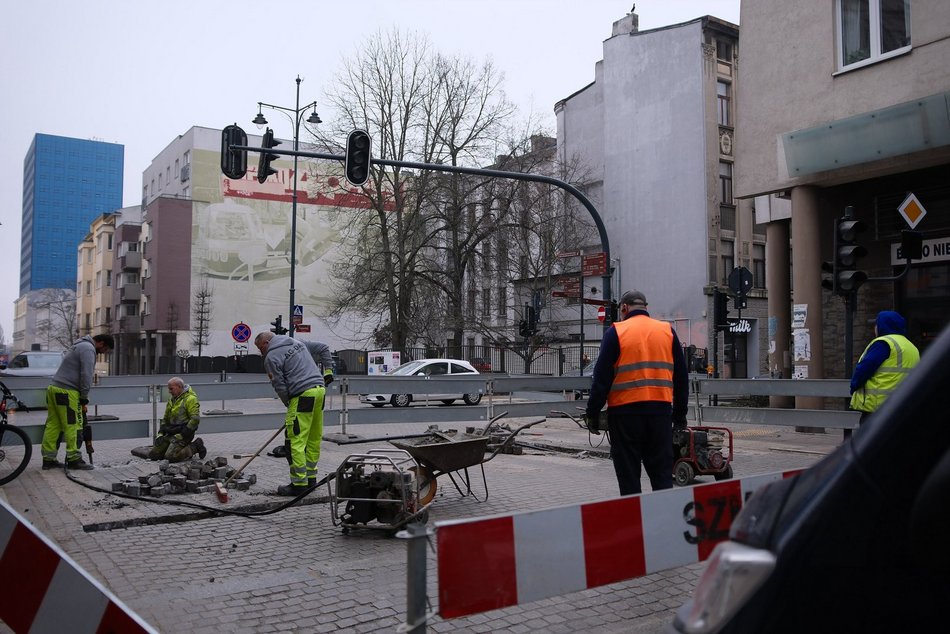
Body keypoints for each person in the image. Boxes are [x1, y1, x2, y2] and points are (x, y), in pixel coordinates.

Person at [584, 290, 689, 495]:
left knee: (629, 478)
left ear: (624, 308)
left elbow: (601, 379)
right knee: (662, 478)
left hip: (625, 416)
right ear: (646, 308)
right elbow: (681, 378)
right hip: (660, 415)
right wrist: (680, 417)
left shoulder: (616, 332)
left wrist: (592, 414)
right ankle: (663, 521)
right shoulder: (667, 331)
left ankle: (634, 522)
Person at [254, 331, 326, 495]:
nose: (261, 352)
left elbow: (279, 385)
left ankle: (299, 484)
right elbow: (323, 349)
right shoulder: (296, 342)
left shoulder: (271, 357)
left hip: (301, 395)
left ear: (266, 343)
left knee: (295, 441)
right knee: (313, 438)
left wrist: (290, 405)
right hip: (319, 391)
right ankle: (311, 479)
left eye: (260, 348)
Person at [41, 334, 114, 470]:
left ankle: (48, 459)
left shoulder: (78, 345)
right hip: (67, 392)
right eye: (106, 349)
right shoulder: (88, 349)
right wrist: (84, 397)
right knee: (73, 425)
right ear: (101, 343)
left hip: (54, 388)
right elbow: (86, 375)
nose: (104, 353)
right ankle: (74, 459)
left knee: (53, 425)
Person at [850, 310, 920, 425]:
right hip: (902, 406)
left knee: (870, 441)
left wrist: (854, 386)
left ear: (883, 326)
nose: (875, 328)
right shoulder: (911, 347)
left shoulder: (883, 344)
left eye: (876, 325)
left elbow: (864, 369)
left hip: (878, 408)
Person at [148, 377, 206, 462]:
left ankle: (195, 446)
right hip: (171, 432)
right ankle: (171, 446)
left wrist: (182, 434)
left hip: (184, 434)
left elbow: (195, 419)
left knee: (171, 457)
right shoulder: (172, 400)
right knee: (154, 455)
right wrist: (160, 434)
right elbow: (165, 418)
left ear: (179, 386)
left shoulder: (190, 399)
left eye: (171, 389)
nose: (169, 391)